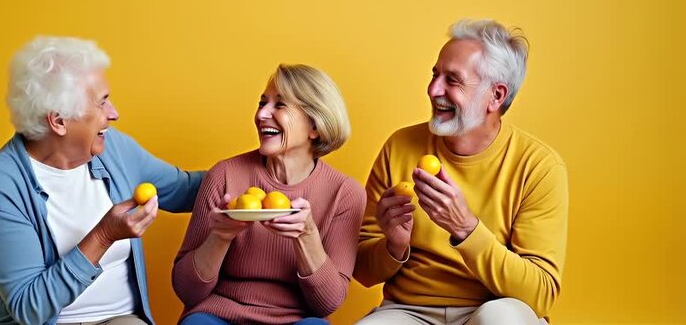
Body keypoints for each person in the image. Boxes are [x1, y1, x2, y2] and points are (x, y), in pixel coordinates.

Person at [0, 36, 203, 325]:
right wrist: (103, 236)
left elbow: (186, 189)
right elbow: (29, 309)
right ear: (58, 121)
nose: (114, 114)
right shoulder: (1, 186)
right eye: (102, 103)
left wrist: (262, 165)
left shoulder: (115, 149)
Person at [354, 19, 568, 325]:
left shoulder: (539, 167)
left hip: (493, 309)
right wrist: (393, 246)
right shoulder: (399, 146)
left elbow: (539, 294)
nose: (433, 90)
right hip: (408, 311)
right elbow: (361, 270)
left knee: (502, 320)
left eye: (452, 80)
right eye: (434, 75)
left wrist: (467, 229)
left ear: (496, 96)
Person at [172, 64, 366, 324]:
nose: (262, 114)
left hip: (295, 320)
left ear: (315, 126)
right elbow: (187, 291)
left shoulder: (345, 193)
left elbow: (327, 304)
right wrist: (220, 236)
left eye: (280, 105)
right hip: (218, 315)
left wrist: (307, 236)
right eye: (262, 103)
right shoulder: (224, 174)